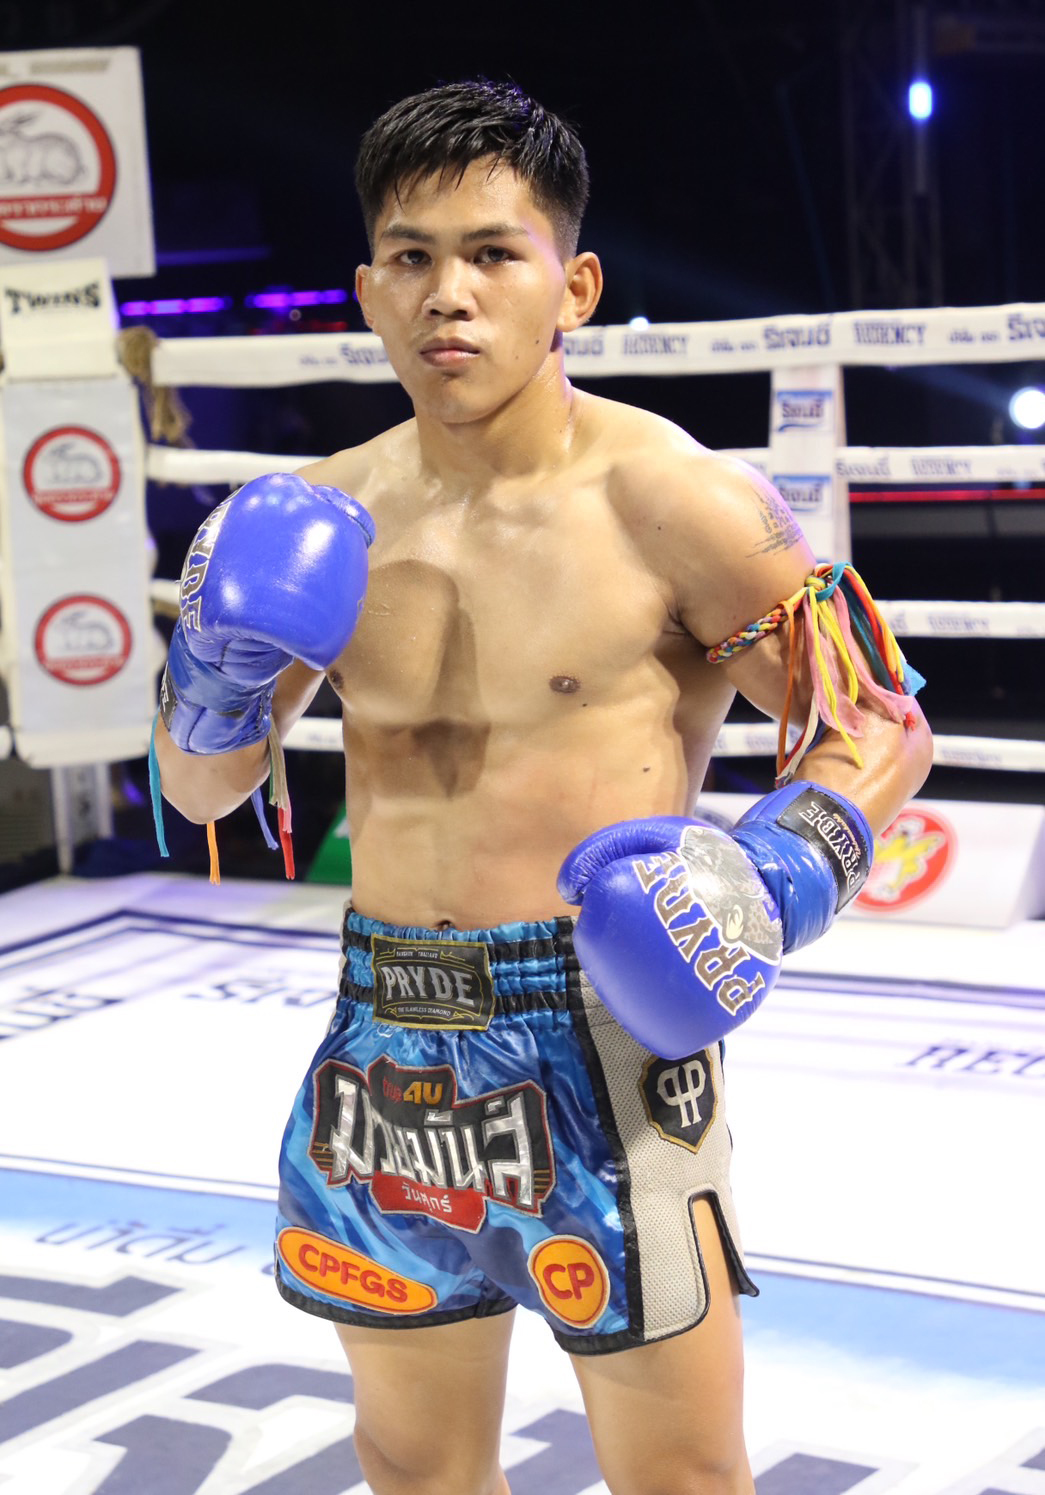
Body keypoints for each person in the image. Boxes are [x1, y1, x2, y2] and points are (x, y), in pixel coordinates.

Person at [154, 79, 932, 1495]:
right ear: (368, 291)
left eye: (492, 254)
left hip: (598, 1026)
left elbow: (878, 721)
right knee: (413, 1465)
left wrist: (771, 879)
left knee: (679, 1476)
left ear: (571, 286)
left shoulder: (674, 500)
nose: (447, 293)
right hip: (383, 1027)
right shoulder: (323, 514)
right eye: (410, 256)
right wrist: (211, 676)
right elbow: (204, 794)